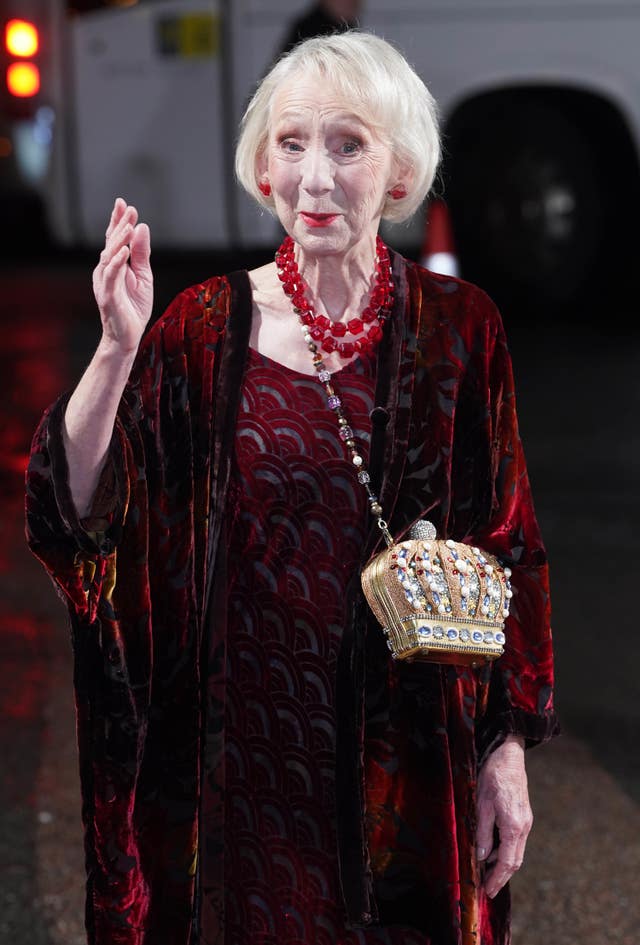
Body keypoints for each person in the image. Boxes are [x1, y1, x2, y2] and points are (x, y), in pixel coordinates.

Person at [25, 31, 558, 945]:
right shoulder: (198, 330)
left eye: (348, 144)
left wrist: (504, 747)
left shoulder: (463, 331)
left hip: (408, 780)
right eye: (291, 143)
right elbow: (80, 515)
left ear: (398, 171)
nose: (316, 176)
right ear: (264, 169)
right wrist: (115, 351)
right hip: (241, 780)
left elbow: (509, 545)